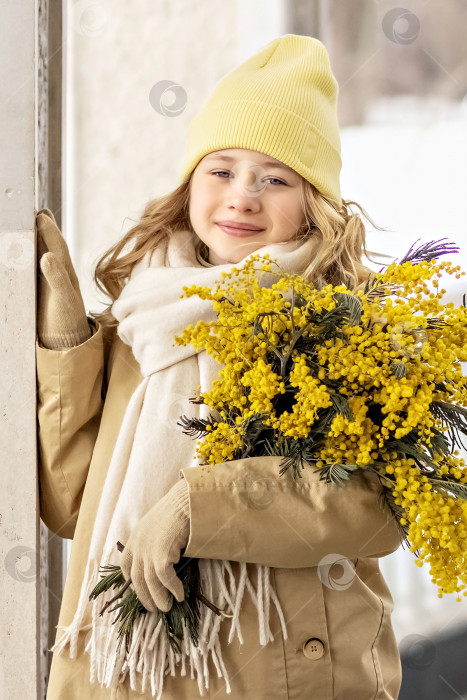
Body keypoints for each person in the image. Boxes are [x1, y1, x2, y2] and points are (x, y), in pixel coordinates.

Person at [36, 34, 403, 700]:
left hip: (284, 674)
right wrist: (66, 343)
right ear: (189, 184)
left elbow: (370, 510)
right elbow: (71, 509)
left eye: (275, 178)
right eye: (221, 169)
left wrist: (195, 506)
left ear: (312, 203)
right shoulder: (140, 322)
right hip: (137, 676)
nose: (241, 196)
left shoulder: (341, 325)